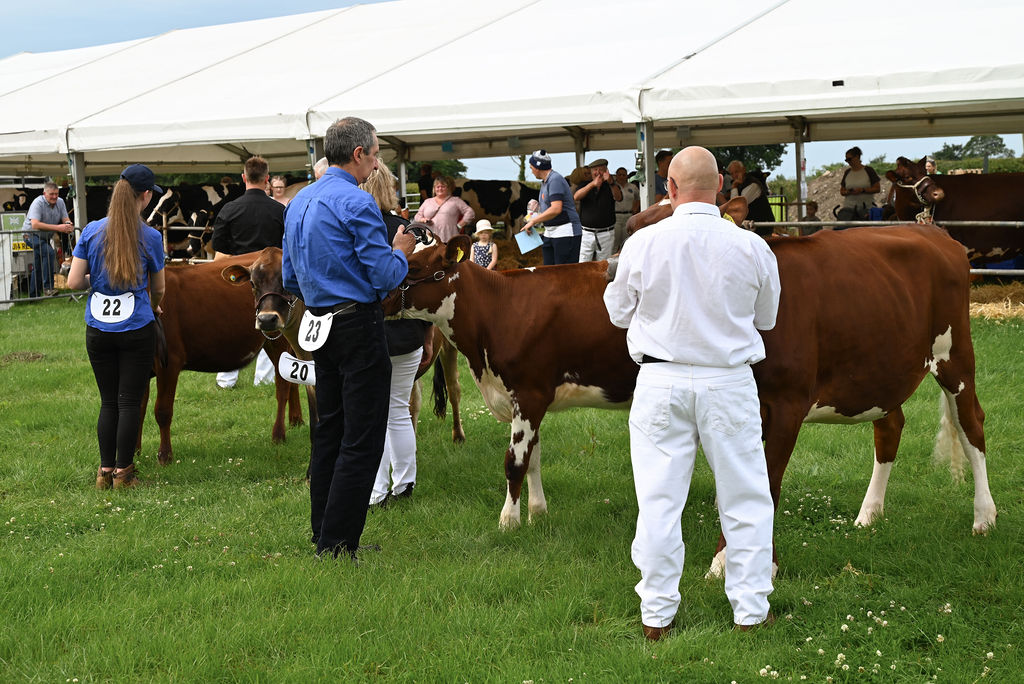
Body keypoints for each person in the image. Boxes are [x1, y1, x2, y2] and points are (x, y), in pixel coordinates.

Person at [603, 146, 781, 640]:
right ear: (721, 186)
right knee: (745, 496)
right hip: (728, 380)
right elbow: (766, 318)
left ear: (671, 189)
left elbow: (618, 312)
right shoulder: (750, 245)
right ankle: (750, 611)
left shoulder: (642, 243)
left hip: (661, 379)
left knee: (658, 499)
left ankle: (656, 615)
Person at [282, 116, 416, 561]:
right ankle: (338, 545)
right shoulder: (356, 203)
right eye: (376, 153)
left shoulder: (299, 202)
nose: (377, 162)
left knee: (329, 431)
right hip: (357, 324)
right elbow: (385, 278)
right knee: (362, 437)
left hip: (319, 323)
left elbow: (289, 277)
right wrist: (401, 249)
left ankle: (325, 533)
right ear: (358, 155)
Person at [67, 164, 166, 490]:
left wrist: (99, 281)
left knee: (108, 401)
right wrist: (153, 306)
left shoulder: (92, 231)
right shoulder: (151, 237)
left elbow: (72, 282)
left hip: (98, 328)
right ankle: (124, 473)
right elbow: (159, 288)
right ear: (146, 195)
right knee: (128, 401)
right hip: (136, 326)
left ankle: (104, 472)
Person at [359, 162, 432, 508]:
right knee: (398, 411)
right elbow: (429, 288)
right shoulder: (411, 232)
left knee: (370, 415)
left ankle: (376, 492)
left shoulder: (359, 230)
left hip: (370, 332)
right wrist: (428, 336)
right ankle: (404, 485)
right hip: (410, 333)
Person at [211, 155, 285, 388]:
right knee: (270, 325)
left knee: (233, 327)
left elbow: (219, 255)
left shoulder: (229, 209)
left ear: (244, 178)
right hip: (271, 282)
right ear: (267, 179)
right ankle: (263, 379)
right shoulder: (280, 210)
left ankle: (226, 379)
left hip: (240, 279)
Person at [520, 150, 582, 265]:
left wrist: (533, 221)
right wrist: (538, 209)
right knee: (549, 271)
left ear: (538, 167)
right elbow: (550, 207)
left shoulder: (555, 180)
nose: (531, 170)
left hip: (565, 231)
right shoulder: (545, 182)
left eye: (531, 167)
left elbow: (556, 208)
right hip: (550, 231)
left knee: (563, 273)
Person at [24, 181, 74, 297]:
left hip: (44, 238)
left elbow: (65, 218)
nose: (54, 197)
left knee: (38, 265)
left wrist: (68, 224)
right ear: (44, 194)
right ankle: (48, 288)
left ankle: (34, 295)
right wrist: (58, 228)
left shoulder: (60, 202)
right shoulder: (38, 202)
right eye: (51, 194)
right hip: (30, 235)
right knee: (49, 252)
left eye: (56, 194)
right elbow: (35, 225)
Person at [574, 158, 622, 263]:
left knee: (603, 264)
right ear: (591, 172)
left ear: (606, 171)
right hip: (587, 233)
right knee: (583, 263)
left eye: (601, 170)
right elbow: (576, 197)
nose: (598, 172)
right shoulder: (585, 185)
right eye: (595, 170)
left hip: (606, 233)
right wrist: (592, 184)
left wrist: (611, 183)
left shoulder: (611, 185)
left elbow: (618, 198)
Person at [412, 175, 475, 242]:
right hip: (431, 240)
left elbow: (470, 212)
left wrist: (460, 224)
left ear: (447, 188)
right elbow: (417, 216)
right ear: (434, 188)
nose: (440, 189)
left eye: (443, 186)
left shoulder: (455, 201)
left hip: (450, 239)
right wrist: (423, 220)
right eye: (438, 187)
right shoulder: (427, 202)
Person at [727, 161, 775, 235]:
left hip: (761, 228)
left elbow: (736, 206)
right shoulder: (740, 185)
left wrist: (734, 187)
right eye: (732, 173)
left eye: (736, 172)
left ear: (744, 170)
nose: (734, 176)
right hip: (750, 228)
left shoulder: (753, 185)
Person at [837, 146, 881, 224]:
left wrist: (863, 190)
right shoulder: (847, 172)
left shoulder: (868, 170)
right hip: (848, 210)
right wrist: (849, 192)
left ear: (857, 157)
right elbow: (842, 191)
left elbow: (877, 188)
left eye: (849, 159)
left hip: (866, 209)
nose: (848, 162)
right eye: (846, 160)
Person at [613, 166, 640, 252]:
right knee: (614, 243)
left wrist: (635, 208)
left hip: (628, 216)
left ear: (627, 176)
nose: (622, 176)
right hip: (616, 217)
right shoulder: (612, 187)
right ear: (616, 176)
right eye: (619, 175)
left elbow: (638, 198)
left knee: (627, 242)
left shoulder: (632, 187)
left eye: (624, 175)